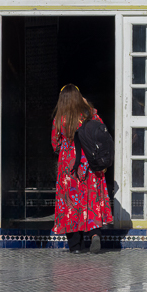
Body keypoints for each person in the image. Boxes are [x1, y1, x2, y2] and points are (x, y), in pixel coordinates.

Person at [51, 84, 113, 253]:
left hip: (68, 166)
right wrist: (87, 107)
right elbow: (101, 131)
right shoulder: (89, 114)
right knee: (91, 199)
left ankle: (75, 246)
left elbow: (55, 144)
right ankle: (94, 234)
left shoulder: (60, 118)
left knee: (70, 204)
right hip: (89, 163)